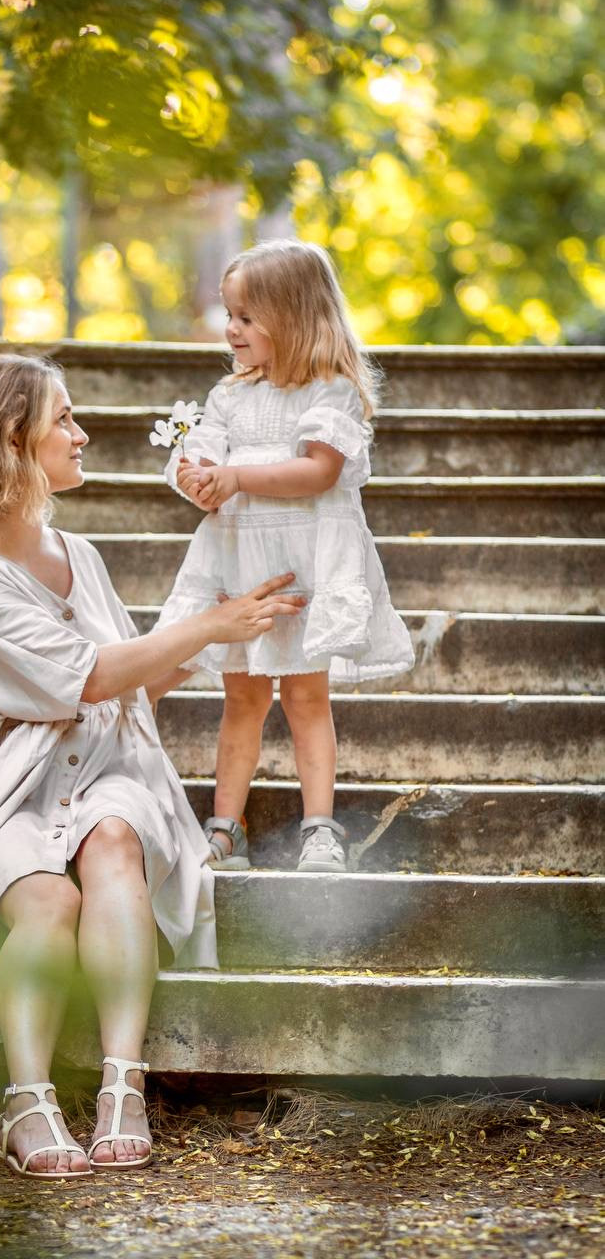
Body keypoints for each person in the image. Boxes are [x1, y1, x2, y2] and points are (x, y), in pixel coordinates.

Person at [0, 353, 305, 1182]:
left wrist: (243, 610)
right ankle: (28, 1100)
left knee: (114, 839)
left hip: (105, 763)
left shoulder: (80, 551)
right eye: (64, 419)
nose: (81, 434)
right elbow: (83, 675)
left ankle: (122, 1084)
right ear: (12, 437)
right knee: (47, 898)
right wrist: (208, 626)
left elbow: (139, 670)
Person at [155, 239, 414, 874]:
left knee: (305, 698)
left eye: (246, 316)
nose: (231, 329)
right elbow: (205, 457)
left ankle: (319, 827)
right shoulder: (229, 397)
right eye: (229, 314)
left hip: (305, 568)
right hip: (242, 564)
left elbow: (319, 472)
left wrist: (238, 478)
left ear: (294, 316)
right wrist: (199, 476)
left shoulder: (332, 392)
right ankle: (224, 825)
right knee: (241, 698)